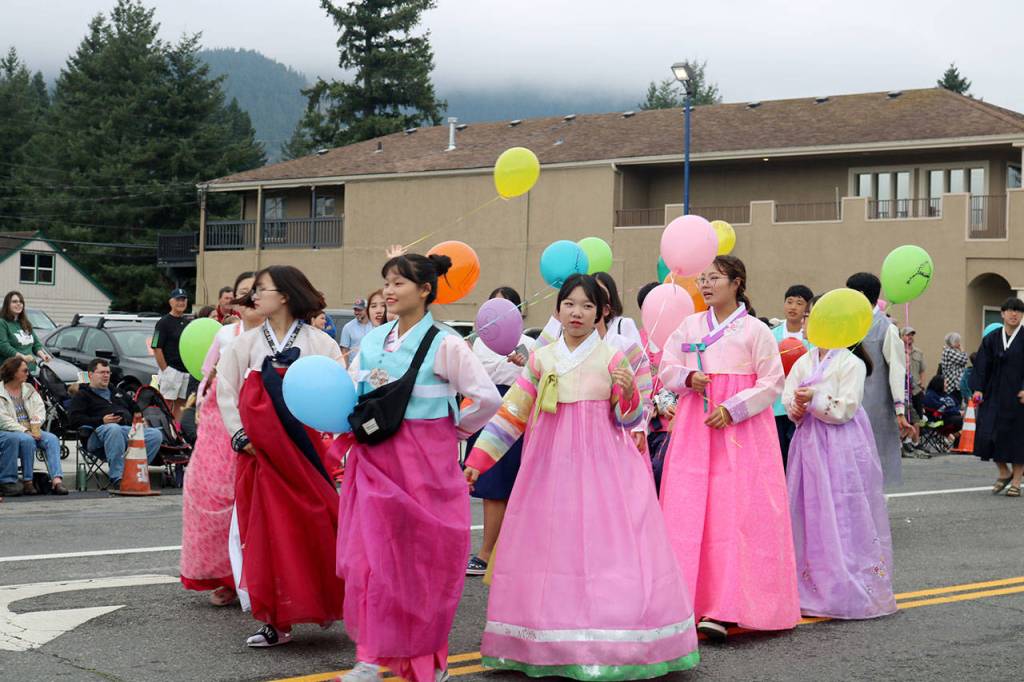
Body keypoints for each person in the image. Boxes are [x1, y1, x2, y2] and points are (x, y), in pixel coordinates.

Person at [464, 274, 699, 678]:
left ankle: (612, 636)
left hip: (603, 468)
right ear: (557, 310)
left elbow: (629, 419)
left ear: (600, 314)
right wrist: (480, 458)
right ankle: (547, 637)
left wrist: (626, 392)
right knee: (551, 547)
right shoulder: (542, 358)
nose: (577, 312)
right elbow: (513, 411)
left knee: (604, 548)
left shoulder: (613, 358)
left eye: (587, 306)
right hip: (548, 468)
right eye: (570, 304)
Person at [336, 252, 501, 682]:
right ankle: (370, 657)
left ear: (426, 290)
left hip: (426, 466)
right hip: (376, 459)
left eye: (399, 283)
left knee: (422, 563)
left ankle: (428, 660)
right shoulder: (372, 341)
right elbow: (352, 390)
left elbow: (487, 399)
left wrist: (453, 431)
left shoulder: (446, 343)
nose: (389, 291)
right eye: (386, 282)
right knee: (373, 558)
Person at [659, 255, 799, 640]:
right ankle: (681, 601)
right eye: (703, 279)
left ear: (737, 282)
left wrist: (732, 408)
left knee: (734, 514)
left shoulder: (756, 330)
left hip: (741, 433)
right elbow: (666, 367)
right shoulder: (687, 325)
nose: (706, 285)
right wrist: (689, 376)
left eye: (715, 278)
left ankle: (726, 606)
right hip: (695, 426)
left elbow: (772, 383)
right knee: (689, 511)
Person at [216, 265, 346, 647]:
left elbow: (338, 391)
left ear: (285, 295)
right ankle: (274, 618)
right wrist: (241, 435)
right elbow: (226, 391)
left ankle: (327, 601)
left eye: (263, 289)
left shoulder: (321, 343)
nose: (255, 296)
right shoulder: (245, 344)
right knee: (267, 535)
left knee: (318, 526)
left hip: (306, 453)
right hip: (260, 455)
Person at [783, 299, 896, 620]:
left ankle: (844, 583)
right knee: (810, 509)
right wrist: (797, 405)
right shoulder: (804, 360)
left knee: (842, 510)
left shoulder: (852, 363)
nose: (807, 323)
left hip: (841, 444)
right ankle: (811, 583)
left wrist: (814, 399)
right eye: (808, 317)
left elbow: (846, 407)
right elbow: (789, 394)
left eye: (812, 317)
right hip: (808, 443)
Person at [180, 271, 259, 606]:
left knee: (253, 503)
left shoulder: (277, 338)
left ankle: (257, 576)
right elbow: (206, 376)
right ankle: (223, 576)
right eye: (241, 293)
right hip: (219, 424)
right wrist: (198, 407)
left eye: (254, 292)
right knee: (212, 497)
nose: (246, 299)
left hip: (256, 419)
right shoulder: (226, 334)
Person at [465, 287, 534, 577]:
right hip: (483, 411)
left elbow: (534, 376)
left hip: (515, 413)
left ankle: (490, 553)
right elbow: (471, 377)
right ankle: (490, 551)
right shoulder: (475, 342)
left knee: (506, 487)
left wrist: (524, 363)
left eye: (505, 307)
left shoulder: (529, 343)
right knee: (488, 487)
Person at [845, 273, 911, 488]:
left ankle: (872, 508)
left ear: (861, 295)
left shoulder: (886, 327)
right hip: (845, 401)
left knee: (872, 457)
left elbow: (897, 370)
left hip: (874, 404)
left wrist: (900, 409)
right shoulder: (846, 323)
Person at [68, 358, 163, 491]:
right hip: (97, 434)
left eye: (108, 372)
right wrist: (101, 420)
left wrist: (139, 419)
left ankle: (134, 472)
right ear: (90, 375)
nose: (106, 375)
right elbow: (74, 420)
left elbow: (134, 407)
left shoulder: (116, 391)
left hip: (127, 429)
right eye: (102, 372)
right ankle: (118, 477)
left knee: (155, 434)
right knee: (113, 429)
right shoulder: (83, 395)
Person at [970, 297, 1024, 497]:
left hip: (1018, 396)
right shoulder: (991, 338)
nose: (1013, 314)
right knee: (988, 435)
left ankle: (1016, 482)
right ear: (1002, 313)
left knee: (1018, 439)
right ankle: (1004, 471)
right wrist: (978, 388)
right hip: (993, 394)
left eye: (1018, 311)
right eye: (1009, 310)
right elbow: (981, 365)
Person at [0, 356, 69, 495]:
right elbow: (3, 419)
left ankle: (56, 480)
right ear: (13, 372)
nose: (28, 373)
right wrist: (24, 430)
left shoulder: (29, 388)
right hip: (9, 429)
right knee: (27, 439)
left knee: (52, 439)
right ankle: (28, 481)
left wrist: (37, 420)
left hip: (32, 428)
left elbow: (40, 408)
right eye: (24, 371)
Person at [771, 284, 814, 469]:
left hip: (801, 405)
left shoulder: (812, 337)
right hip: (775, 405)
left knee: (798, 454)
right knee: (778, 453)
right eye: (789, 302)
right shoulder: (772, 335)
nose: (793, 307)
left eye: (799, 303)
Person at [152, 288, 192, 420]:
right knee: (166, 403)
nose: (181, 302)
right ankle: (165, 431)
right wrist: (165, 370)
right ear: (171, 302)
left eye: (183, 299)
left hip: (185, 371)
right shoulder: (162, 323)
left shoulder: (187, 322)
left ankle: (177, 433)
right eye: (178, 300)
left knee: (181, 404)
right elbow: (156, 347)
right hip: (171, 370)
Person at [0, 291, 51, 371]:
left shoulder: (26, 323)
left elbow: (36, 344)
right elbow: (3, 346)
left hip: (30, 371)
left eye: (21, 302)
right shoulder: (2, 323)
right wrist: (22, 357)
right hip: (12, 372)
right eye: (14, 301)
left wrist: (43, 356)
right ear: (7, 304)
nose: (19, 304)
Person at [902, 326, 926, 423]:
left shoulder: (919, 353)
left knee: (917, 419)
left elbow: (922, 370)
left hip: (916, 390)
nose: (910, 337)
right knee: (904, 417)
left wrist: (922, 385)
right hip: (903, 390)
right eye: (908, 335)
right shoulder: (898, 351)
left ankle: (916, 438)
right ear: (902, 336)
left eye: (912, 335)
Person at [340, 298, 373, 363]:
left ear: (367, 310)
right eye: (355, 310)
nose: (356, 312)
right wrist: (346, 368)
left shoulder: (375, 325)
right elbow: (344, 350)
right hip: (354, 367)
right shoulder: (348, 327)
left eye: (359, 310)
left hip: (372, 366)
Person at [941, 332, 969, 406]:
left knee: (957, 405)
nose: (959, 343)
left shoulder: (952, 351)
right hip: (952, 385)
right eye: (957, 341)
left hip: (954, 385)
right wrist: (962, 350)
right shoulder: (949, 351)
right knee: (954, 405)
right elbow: (964, 360)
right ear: (953, 342)